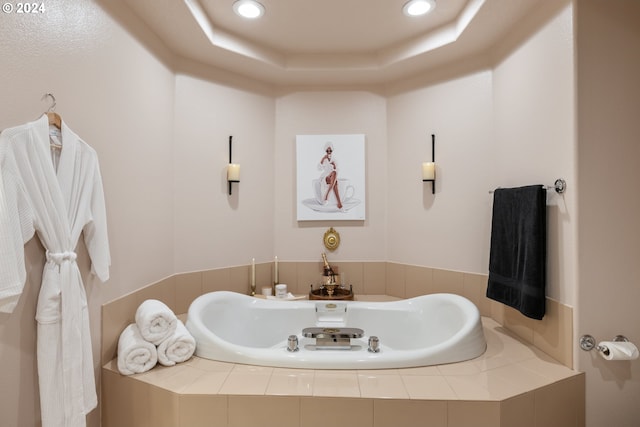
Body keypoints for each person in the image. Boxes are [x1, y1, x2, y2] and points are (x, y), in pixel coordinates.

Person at [318, 142, 343, 209]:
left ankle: (328, 197)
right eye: (327, 151)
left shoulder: (334, 159)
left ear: (332, 151)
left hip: (332, 176)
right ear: (325, 151)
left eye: (330, 150)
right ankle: (339, 202)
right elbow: (319, 168)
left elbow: (336, 170)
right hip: (325, 177)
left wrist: (334, 164)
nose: (329, 152)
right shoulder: (324, 159)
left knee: (334, 175)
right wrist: (323, 159)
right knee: (335, 180)